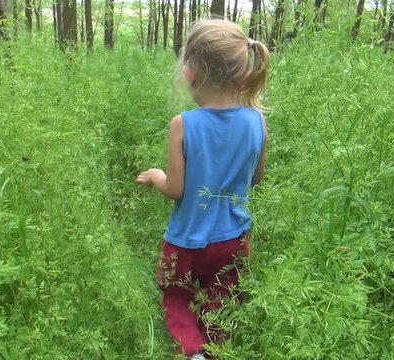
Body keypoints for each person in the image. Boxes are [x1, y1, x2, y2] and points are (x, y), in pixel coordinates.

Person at [135, 19, 271, 360]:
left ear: (190, 72)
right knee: (222, 302)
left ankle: (193, 351)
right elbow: (256, 178)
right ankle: (213, 351)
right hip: (234, 239)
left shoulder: (184, 124)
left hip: (186, 240)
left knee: (175, 294)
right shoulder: (257, 120)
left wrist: (154, 176)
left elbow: (176, 188)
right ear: (243, 72)